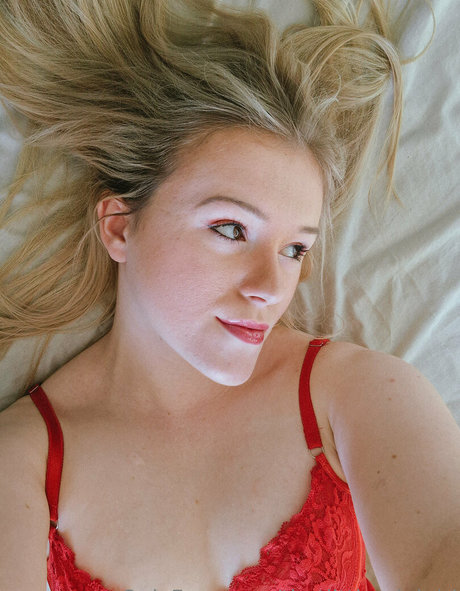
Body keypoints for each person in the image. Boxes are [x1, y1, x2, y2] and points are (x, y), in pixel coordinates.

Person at [0, 1, 459, 590]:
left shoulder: (354, 395)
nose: (271, 288)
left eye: (295, 249)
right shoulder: (22, 462)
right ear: (119, 227)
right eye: (231, 229)